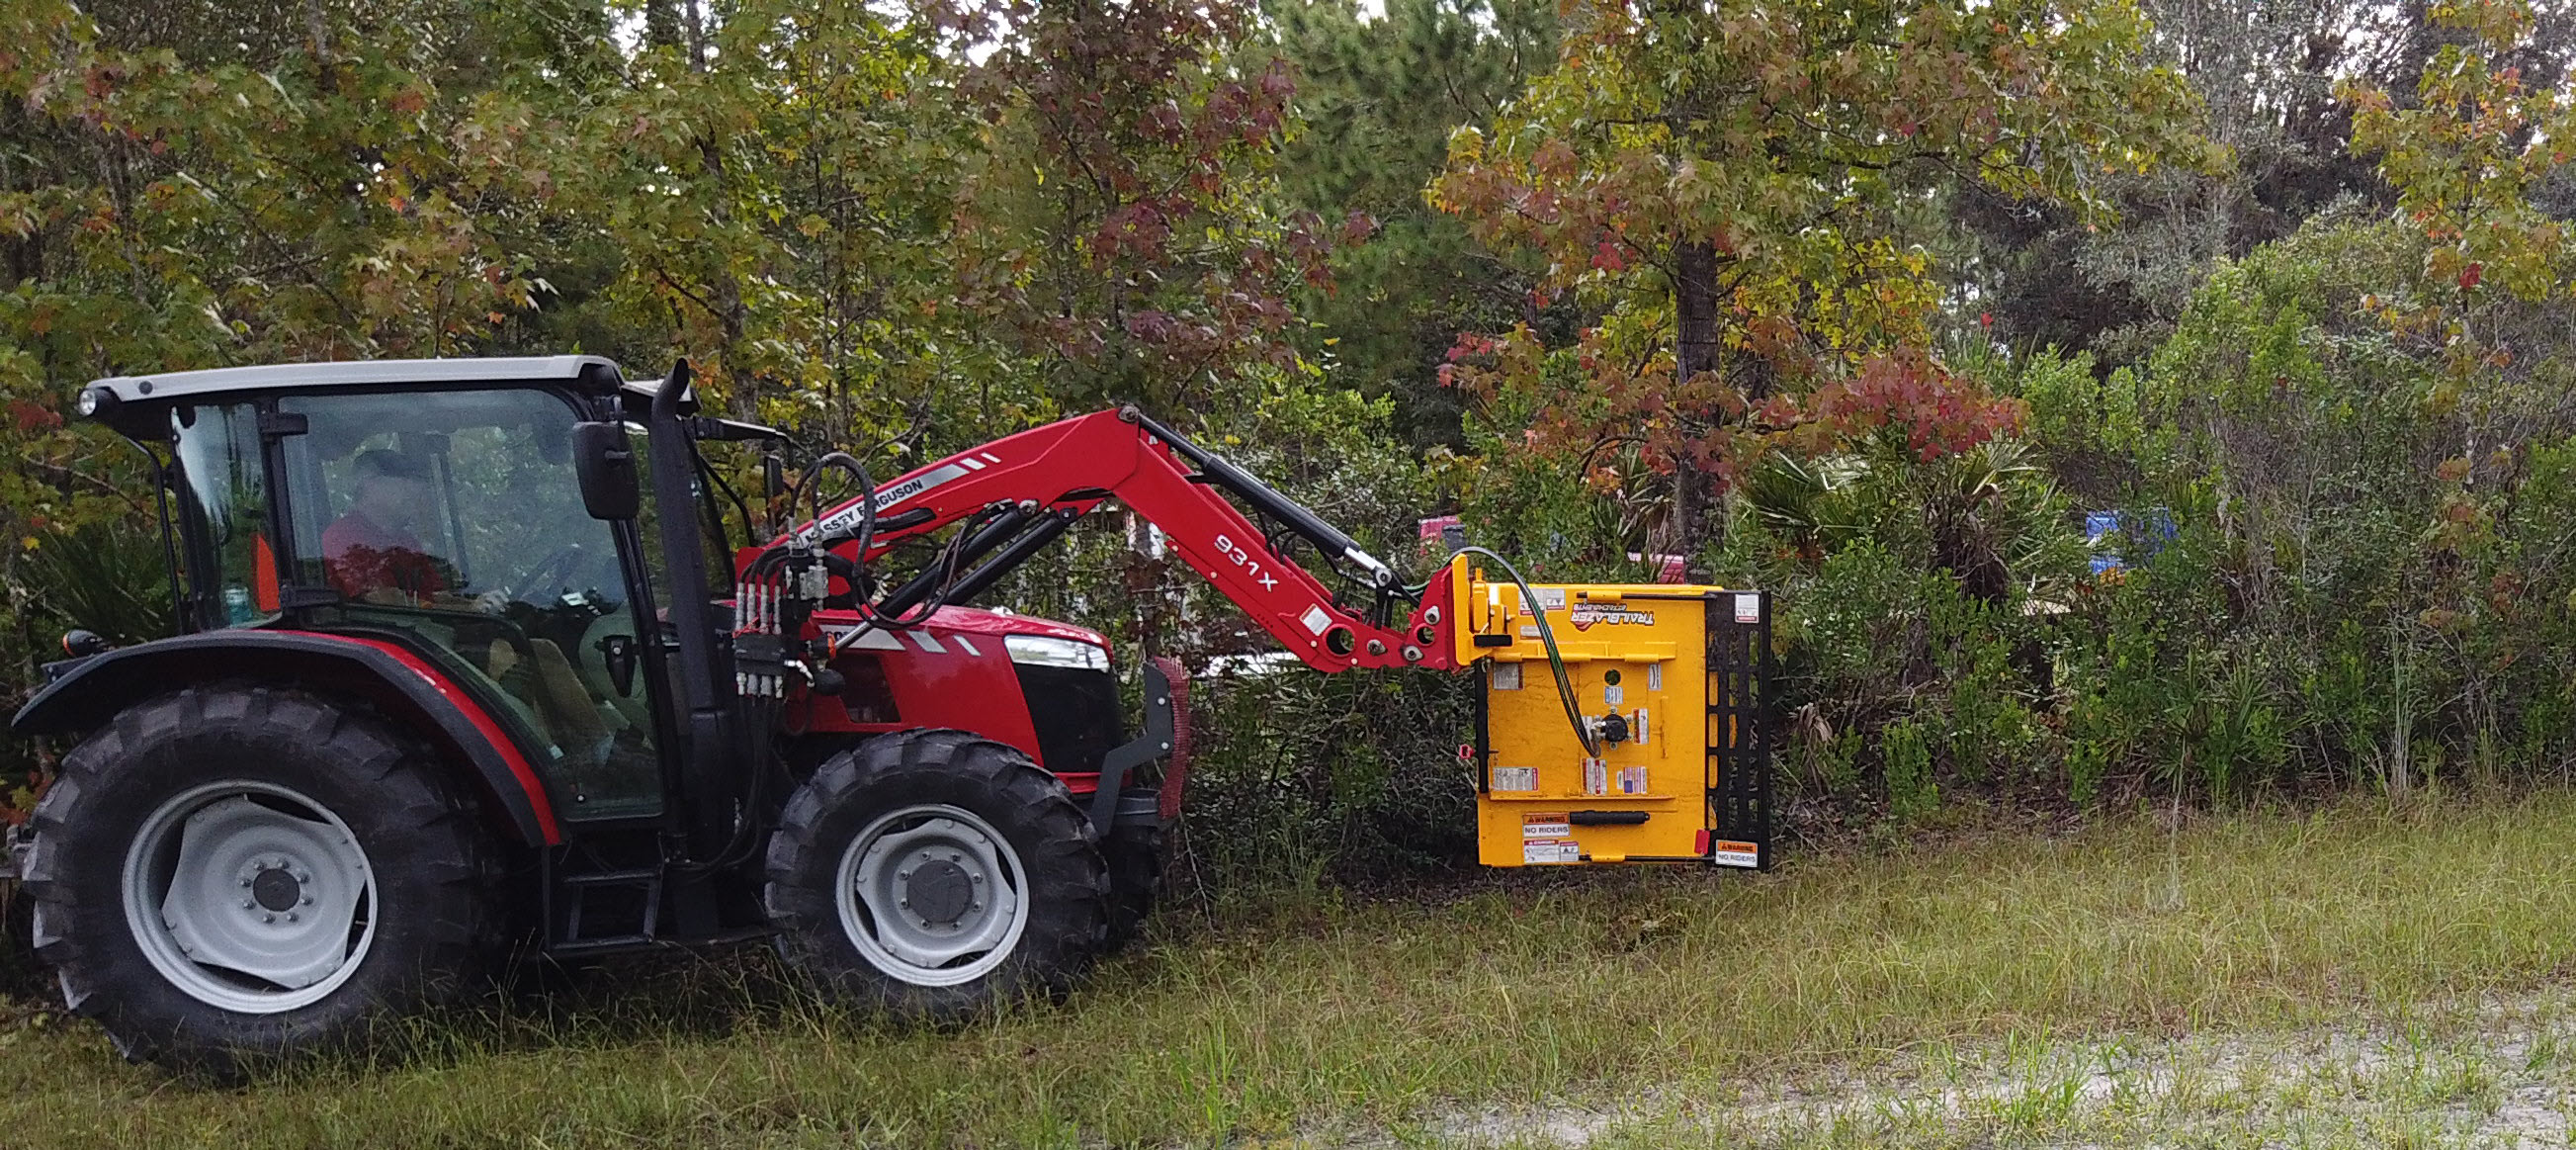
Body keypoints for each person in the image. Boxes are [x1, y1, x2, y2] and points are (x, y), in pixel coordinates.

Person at [321, 449, 451, 601]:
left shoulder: (407, 543)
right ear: (370, 485)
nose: (414, 492)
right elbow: (384, 602)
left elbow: (438, 597)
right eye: (404, 483)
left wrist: (475, 606)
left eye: (415, 485)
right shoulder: (344, 538)